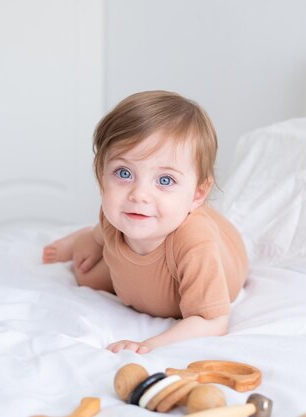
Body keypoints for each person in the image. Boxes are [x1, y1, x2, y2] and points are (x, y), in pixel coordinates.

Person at [43, 90, 248, 354]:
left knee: (94, 268)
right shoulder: (118, 214)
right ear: (100, 176)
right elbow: (104, 231)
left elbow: (213, 321)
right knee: (85, 274)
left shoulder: (194, 243)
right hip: (143, 272)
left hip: (212, 252)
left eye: (165, 180)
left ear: (197, 194)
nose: (138, 195)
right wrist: (93, 241)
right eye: (124, 173)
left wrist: (149, 345)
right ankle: (82, 238)